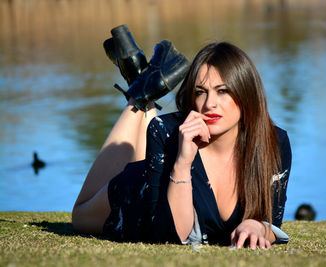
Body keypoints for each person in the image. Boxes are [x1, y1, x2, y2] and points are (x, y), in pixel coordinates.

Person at [72, 30, 292, 249]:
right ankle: (138, 95)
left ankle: (143, 82)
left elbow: (272, 221)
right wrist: (183, 161)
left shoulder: (274, 142)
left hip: (156, 165)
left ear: (246, 93)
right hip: (135, 195)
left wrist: (258, 227)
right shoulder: (166, 132)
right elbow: (174, 236)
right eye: (200, 92)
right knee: (80, 216)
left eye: (222, 91)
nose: (209, 104)